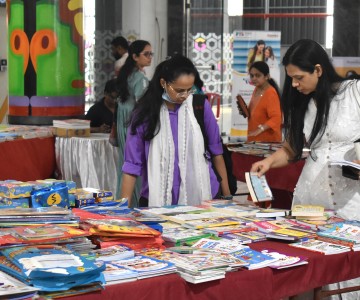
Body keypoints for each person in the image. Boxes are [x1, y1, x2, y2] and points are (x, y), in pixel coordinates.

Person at [250, 39, 360, 299]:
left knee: (349, 265)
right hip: (313, 199)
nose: (295, 85)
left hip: (352, 197)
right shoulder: (302, 104)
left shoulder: (354, 93)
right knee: (315, 267)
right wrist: (268, 162)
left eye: (299, 78)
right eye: (291, 79)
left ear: (318, 70)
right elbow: (292, 148)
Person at [120, 55, 232, 208]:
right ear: (163, 83)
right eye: (179, 90)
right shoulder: (145, 114)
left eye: (189, 90)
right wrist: (122, 210)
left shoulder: (199, 106)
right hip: (156, 200)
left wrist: (227, 196)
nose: (185, 96)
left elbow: (216, 152)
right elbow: (132, 165)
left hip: (204, 197)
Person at [115, 40, 153, 203]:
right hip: (134, 122)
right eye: (146, 54)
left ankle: (122, 201)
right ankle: (134, 204)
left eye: (151, 54)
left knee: (125, 165)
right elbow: (142, 103)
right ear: (135, 56)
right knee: (135, 165)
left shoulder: (125, 74)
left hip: (123, 121)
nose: (150, 57)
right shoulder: (140, 78)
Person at [246, 61, 282, 142]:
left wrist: (261, 129)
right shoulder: (257, 89)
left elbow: (276, 118)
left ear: (267, 76)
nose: (254, 78)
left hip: (267, 141)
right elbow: (255, 111)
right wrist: (244, 111)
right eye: (252, 76)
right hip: (255, 139)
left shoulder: (270, 93)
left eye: (258, 75)